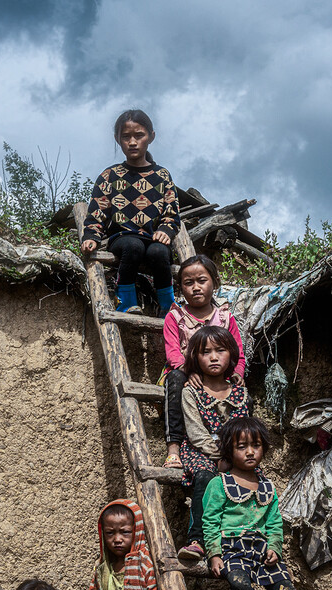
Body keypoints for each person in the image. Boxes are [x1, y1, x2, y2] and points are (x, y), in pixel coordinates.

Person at [202, 417, 312, 590]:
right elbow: (209, 522)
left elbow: (274, 523)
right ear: (229, 450)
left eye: (257, 445)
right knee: (241, 586)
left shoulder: (268, 487)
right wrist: (214, 553)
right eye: (242, 446)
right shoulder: (219, 484)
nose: (250, 452)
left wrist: (275, 546)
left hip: (262, 552)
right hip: (233, 550)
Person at [81, 109, 181, 315]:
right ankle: (125, 301)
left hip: (152, 238)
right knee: (133, 246)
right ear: (117, 139)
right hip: (122, 237)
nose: (133, 142)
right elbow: (97, 212)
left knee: (160, 252)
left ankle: (167, 306)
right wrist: (91, 236)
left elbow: (172, 213)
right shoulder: (109, 176)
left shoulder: (162, 176)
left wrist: (166, 230)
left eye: (139, 135)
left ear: (151, 137)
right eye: (126, 137)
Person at [162, 254, 247, 469]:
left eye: (202, 280)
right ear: (181, 288)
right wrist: (189, 372)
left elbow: (238, 352)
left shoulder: (226, 318)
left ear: (214, 283)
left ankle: (238, 450)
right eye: (188, 283)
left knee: (244, 395)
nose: (196, 287)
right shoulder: (175, 317)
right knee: (175, 380)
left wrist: (238, 372)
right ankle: (173, 448)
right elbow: (173, 354)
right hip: (183, 372)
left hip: (217, 374)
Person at [175, 327, 251, 563]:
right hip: (200, 451)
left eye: (220, 350)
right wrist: (219, 457)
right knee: (205, 478)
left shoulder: (240, 392)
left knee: (250, 480)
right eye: (205, 352)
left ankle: (245, 539)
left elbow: (242, 431)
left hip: (232, 454)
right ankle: (196, 540)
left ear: (231, 355)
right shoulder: (191, 392)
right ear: (195, 358)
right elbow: (196, 434)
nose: (214, 357)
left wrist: (231, 457)